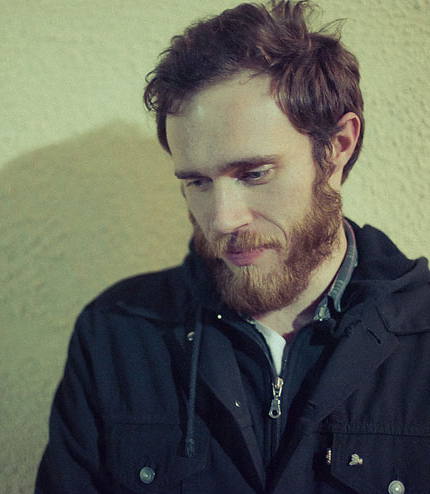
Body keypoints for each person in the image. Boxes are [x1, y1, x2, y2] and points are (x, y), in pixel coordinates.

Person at [35, 1, 430, 493]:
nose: (222, 219)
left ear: (337, 147)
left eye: (254, 173)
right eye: (197, 182)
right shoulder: (116, 335)